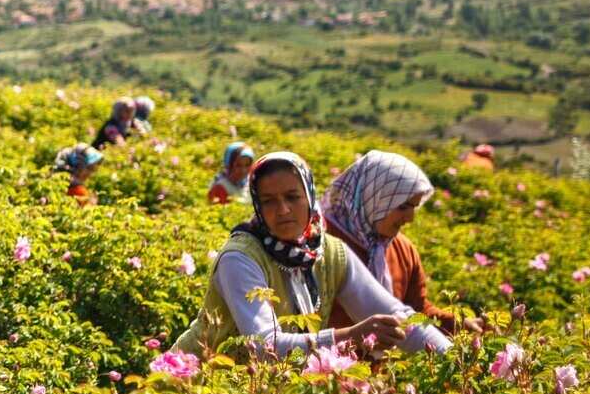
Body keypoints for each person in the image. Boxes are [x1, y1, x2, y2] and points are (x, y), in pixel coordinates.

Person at [172, 152, 451, 359]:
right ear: (257, 205)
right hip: (199, 385)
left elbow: (394, 313)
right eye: (269, 201)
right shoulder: (240, 258)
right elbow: (265, 344)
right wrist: (350, 337)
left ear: (309, 196)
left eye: (292, 197)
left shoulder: (329, 251)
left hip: (267, 391)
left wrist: (451, 359)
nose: (282, 210)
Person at [322, 150, 482, 335]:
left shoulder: (402, 249)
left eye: (414, 207)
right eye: (403, 207)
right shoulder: (322, 243)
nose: (410, 218)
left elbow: (417, 310)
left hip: (387, 363)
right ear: (374, 198)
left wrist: (459, 324)